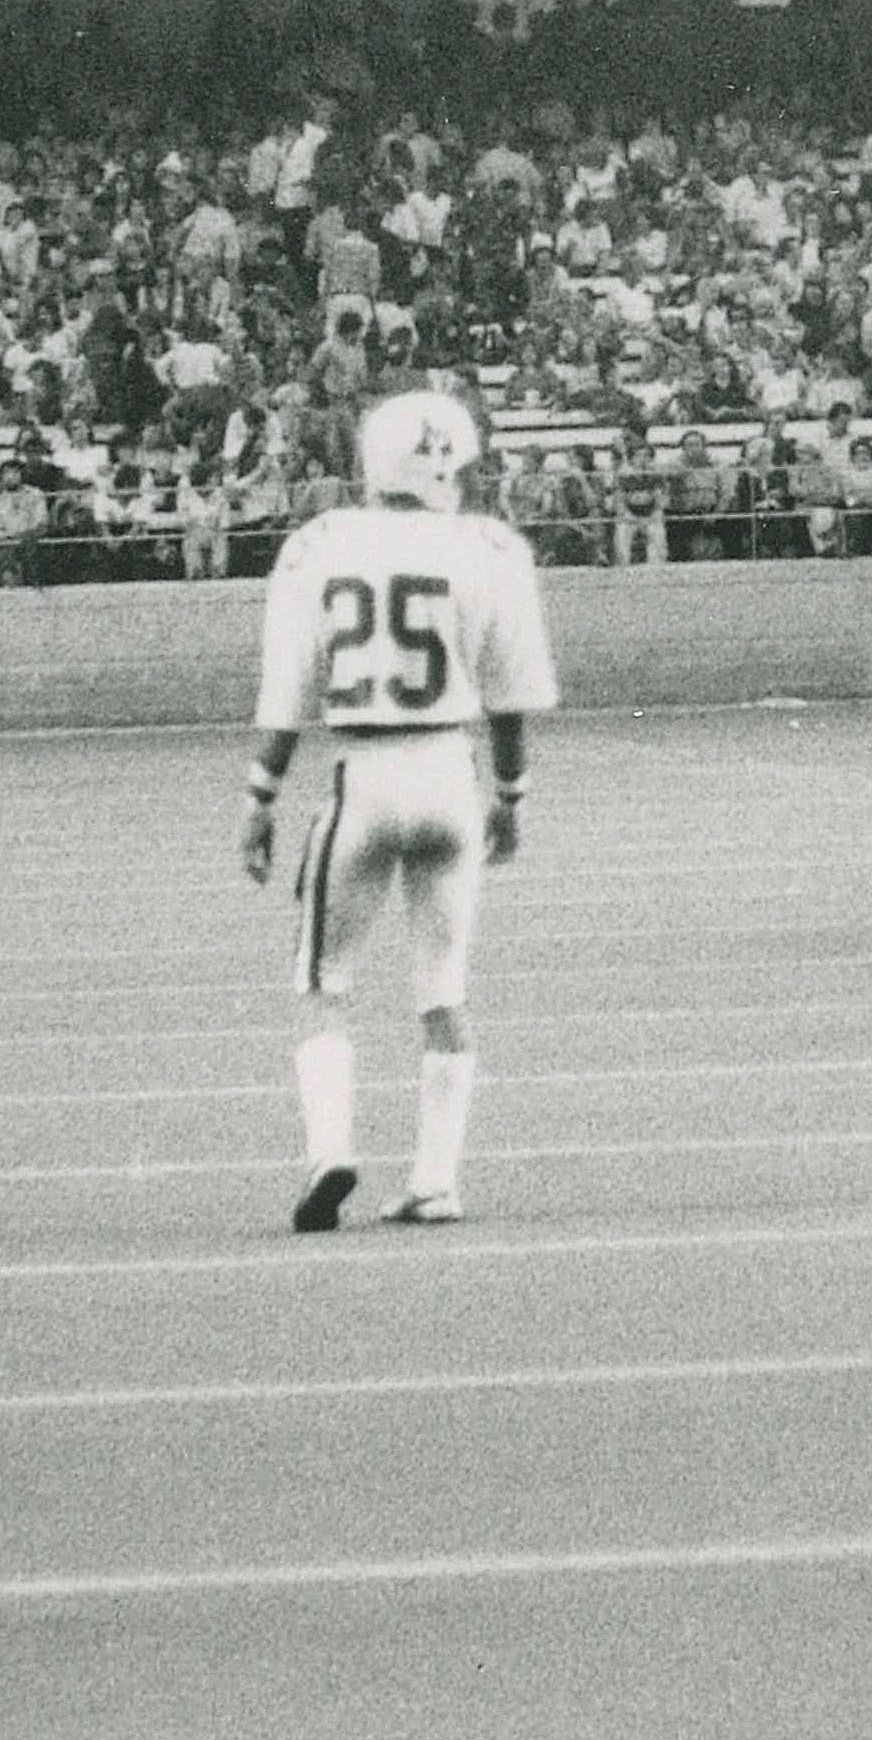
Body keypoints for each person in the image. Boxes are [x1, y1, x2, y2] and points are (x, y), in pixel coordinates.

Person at [244, 383, 559, 1228]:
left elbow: (288, 690)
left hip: (367, 770)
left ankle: (332, 1148)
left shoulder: (321, 544)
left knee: (324, 984)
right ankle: (434, 1178)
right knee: (443, 994)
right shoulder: (489, 546)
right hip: (451, 773)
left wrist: (261, 795)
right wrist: (512, 793)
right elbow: (511, 690)